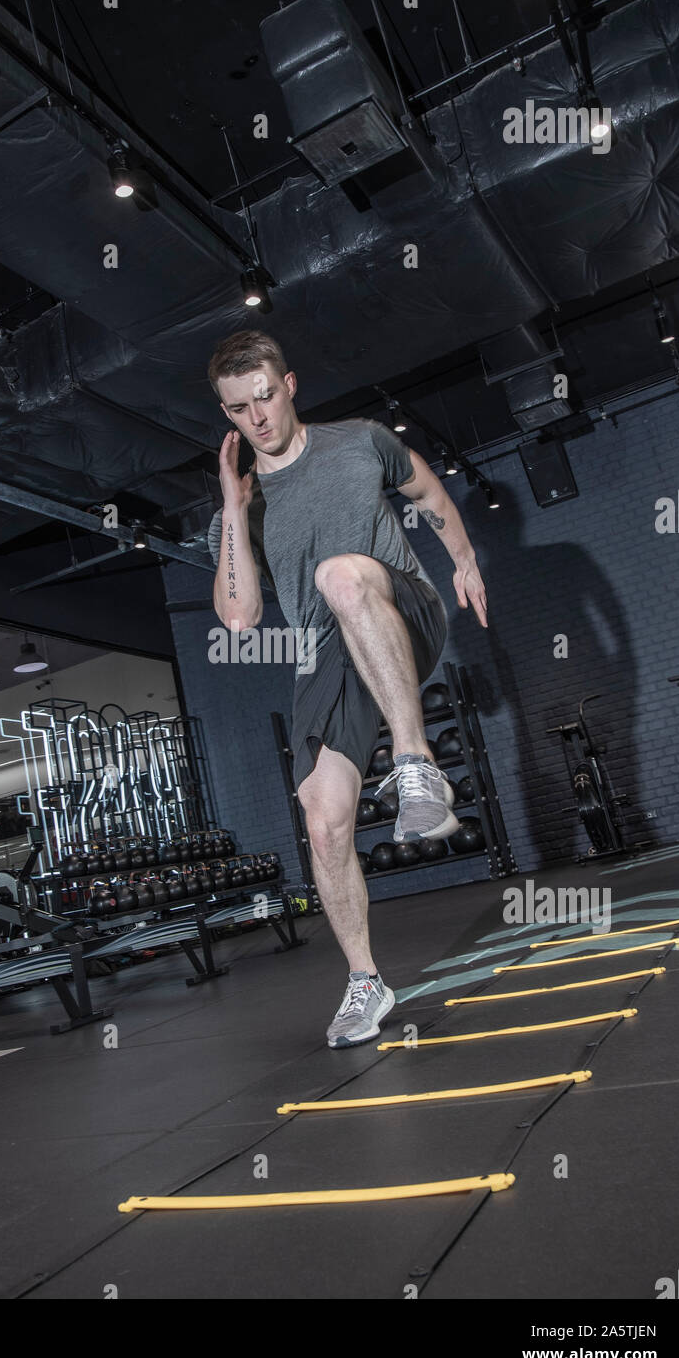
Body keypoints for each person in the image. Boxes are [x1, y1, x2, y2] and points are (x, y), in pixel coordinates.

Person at [206, 330, 487, 1047]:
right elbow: (239, 619)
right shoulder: (239, 509)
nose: (257, 418)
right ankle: (366, 982)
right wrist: (234, 512)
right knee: (323, 818)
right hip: (327, 652)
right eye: (238, 409)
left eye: (265, 397)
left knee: (339, 575)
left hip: (400, 608)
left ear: (289, 384)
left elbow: (426, 490)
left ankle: (416, 763)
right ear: (227, 413)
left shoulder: (361, 441)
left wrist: (462, 560)